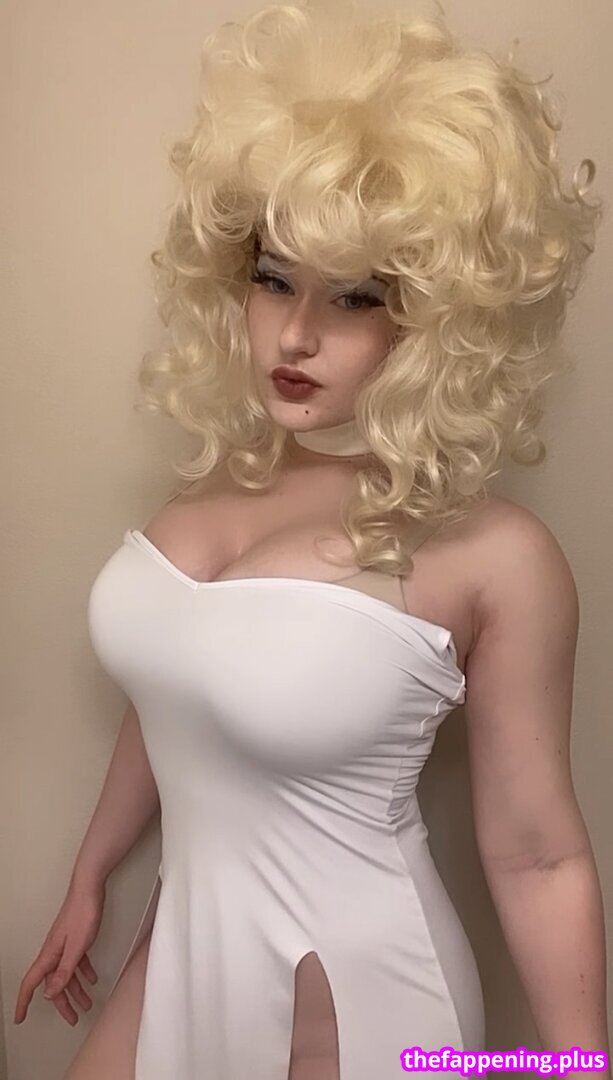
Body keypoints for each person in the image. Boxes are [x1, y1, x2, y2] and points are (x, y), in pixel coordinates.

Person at [14, 0, 609, 1077]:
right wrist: (91, 874)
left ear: (437, 318)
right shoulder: (212, 486)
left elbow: (536, 855)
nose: (294, 333)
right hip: (175, 955)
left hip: (352, 1004)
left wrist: (580, 1065)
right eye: (274, 277)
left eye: (357, 297)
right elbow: (177, 691)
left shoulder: (493, 556)